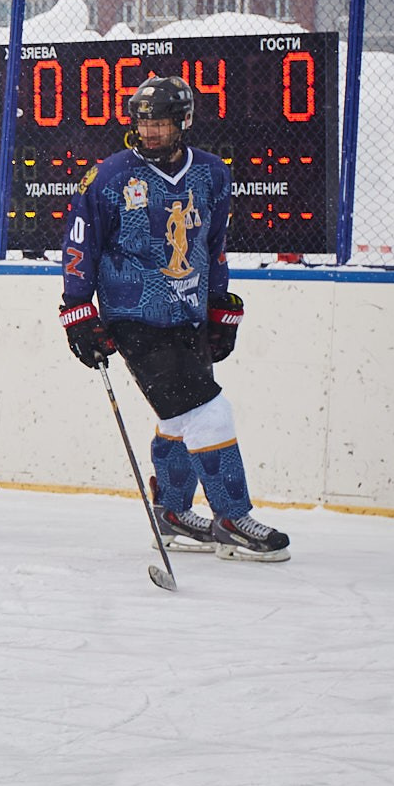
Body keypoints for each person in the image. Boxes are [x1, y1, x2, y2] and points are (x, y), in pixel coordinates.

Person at [61, 74, 287, 560]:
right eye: (144, 122)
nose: (151, 132)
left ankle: (173, 513)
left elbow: (214, 246)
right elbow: (80, 245)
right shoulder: (110, 177)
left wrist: (219, 307)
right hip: (133, 317)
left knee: (179, 415)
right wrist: (78, 312)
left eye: (161, 123)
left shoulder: (212, 173)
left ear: (183, 121)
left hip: (188, 315)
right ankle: (232, 517)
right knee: (209, 410)